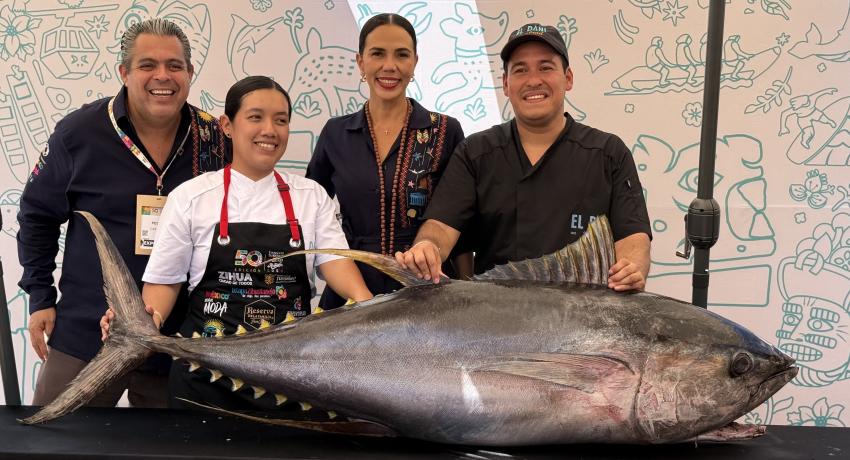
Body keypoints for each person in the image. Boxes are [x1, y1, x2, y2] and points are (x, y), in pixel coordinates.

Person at [102, 75, 372, 410]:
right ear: (228, 125)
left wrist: (367, 308)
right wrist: (141, 323)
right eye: (255, 117)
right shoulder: (191, 197)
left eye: (281, 120)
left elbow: (336, 264)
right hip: (204, 381)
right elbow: (165, 283)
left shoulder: (311, 197)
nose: (269, 130)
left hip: (291, 379)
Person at [17, 18, 228, 407]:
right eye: (147, 65)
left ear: (190, 73)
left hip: (178, 340)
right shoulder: (79, 133)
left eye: (174, 65)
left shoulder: (213, 138)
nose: (162, 76)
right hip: (87, 333)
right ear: (125, 72)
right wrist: (40, 296)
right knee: (55, 443)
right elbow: (36, 215)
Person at [395, 23, 652, 291]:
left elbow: (633, 235)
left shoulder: (608, 153)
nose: (533, 80)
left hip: (584, 316)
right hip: (495, 316)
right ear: (506, 84)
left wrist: (631, 267)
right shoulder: (476, 152)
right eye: (520, 70)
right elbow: (440, 227)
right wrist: (427, 247)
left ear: (568, 78)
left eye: (545, 67)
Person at [306, 13, 470, 309]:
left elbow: (461, 219)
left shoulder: (445, 131)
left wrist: (468, 294)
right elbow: (308, 211)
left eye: (402, 55)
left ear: (415, 63)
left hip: (426, 287)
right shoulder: (336, 133)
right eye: (377, 54)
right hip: (353, 287)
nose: (389, 66)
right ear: (360, 62)